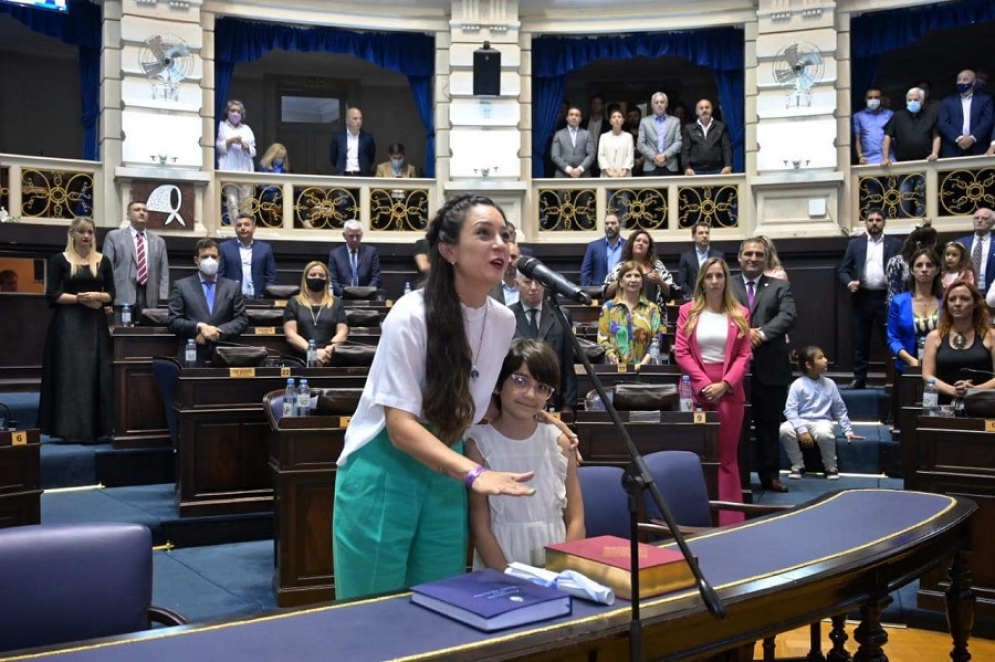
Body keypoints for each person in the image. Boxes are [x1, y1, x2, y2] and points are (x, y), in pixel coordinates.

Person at [331, 194, 536, 600]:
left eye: (505, 235)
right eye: (484, 234)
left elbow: (477, 403)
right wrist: (475, 474)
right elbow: (400, 427)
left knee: (440, 604)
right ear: (449, 250)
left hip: (447, 470)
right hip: (384, 468)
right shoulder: (410, 314)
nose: (500, 244)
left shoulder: (503, 320)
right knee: (372, 613)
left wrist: (543, 418)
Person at [466, 339, 584, 569]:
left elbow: (576, 519)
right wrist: (507, 575)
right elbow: (480, 528)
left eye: (542, 387)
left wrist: (561, 571)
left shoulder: (558, 442)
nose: (530, 394)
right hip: (500, 564)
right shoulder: (478, 444)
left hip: (555, 560)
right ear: (498, 384)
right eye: (520, 381)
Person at [674, 258, 752, 523]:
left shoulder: (740, 313)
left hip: (729, 391)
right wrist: (705, 384)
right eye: (709, 276)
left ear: (726, 280)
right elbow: (682, 352)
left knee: (727, 458)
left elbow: (744, 355)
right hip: (695, 390)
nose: (715, 281)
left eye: (719, 276)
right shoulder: (687, 311)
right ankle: (694, 519)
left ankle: (730, 521)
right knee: (694, 457)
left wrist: (725, 384)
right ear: (702, 281)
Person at [38, 217, 115, 444]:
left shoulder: (103, 260)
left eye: (90, 232)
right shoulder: (60, 260)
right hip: (68, 324)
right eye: (81, 232)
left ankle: (96, 429)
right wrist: (80, 299)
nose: (86, 236)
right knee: (71, 374)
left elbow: (111, 293)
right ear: (72, 234)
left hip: (95, 323)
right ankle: (70, 429)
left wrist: (98, 296)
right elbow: (52, 295)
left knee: (95, 373)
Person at [732, 238, 797, 493]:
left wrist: (760, 333)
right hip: (732, 370)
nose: (753, 258)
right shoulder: (727, 284)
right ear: (739, 257)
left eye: (759, 254)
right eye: (748, 253)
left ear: (766, 258)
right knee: (735, 428)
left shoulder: (780, 286)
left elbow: (788, 316)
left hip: (770, 368)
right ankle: (736, 478)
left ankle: (769, 476)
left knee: (768, 426)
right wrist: (744, 334)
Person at [837, 209, 902, 390]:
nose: (874, 223)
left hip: (886, 298)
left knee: (889, 339)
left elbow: (904, 268)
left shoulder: (896, 244)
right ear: (866, 223)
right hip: (862, 297)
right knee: (861, 340)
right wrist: (849, 283)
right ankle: (859, 379)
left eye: (878, 220)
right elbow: (843, 270)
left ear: (884, 222)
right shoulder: (855, 244)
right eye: (871, 220)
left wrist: (893, 278)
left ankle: (893, 378)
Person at [780, 346, 863, 482]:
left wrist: (847, 430)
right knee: (785, 429)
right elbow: (790, 410)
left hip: (821, 422)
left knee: (824, 433)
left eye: (824, 357)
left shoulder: (830, 384)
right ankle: (797, 465)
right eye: (820, 358)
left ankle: (831, 467)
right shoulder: (797, 385)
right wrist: (802, 430)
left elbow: (839, 409)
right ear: (809, 365)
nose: (825, 360)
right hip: (800, 421)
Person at [166, 239, 249, 365]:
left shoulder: (232, 287)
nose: (210, 260)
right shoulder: (181, 286)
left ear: (219, 259)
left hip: (225, 354)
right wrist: (200, 327)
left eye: (213, 256)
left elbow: (242, 320)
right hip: (193, 353)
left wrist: (216, 332)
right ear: (196, 260)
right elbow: (173, 321)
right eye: (205, 257)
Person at [510, 272, 577, 413]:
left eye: (538, 282)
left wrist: (568, 405)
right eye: (528, 282)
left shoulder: (561, 315)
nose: (534, 287)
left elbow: (568, 365)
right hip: (518, 397)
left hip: (552, 397)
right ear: (517, 284)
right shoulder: (507, 316)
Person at [922, 281, 995, 405]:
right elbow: (927, 376)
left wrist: (974, 390)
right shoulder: (934, 337)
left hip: (983, 405)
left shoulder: (991, 336)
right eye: (952, 299)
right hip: (943, 406)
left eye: (964, 299)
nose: (957, 303)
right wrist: (954, 391)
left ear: (975, 303)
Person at [102, 200, 170, 314]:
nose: (141, 212)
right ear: (128, 215)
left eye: (145, 210)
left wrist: (163, 300)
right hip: (121, 296)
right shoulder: (114, 237)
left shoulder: (159, 242)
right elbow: (106, 269)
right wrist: (107, 299)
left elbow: (164, 274)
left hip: (150, 297)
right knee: (122, 326)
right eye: (137, 210)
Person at [888, 248, 943, 374]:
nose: (924, 269)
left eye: (929, 265)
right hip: (908, 366)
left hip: (941, 366)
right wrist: (911, 360)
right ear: (912, 270)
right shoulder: (899, 301)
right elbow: (893, 339)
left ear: (937, 270)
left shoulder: (946, 301)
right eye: (919, 265)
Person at [597, 261, 662, 366]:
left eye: (637, 276)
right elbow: (603, 340)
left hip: (646, 368)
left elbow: (656, 340)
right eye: (628, 276)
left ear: (642, 282)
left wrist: (644, 363)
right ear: (620, 282)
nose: (633, 280)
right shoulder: (608, 308)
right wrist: (617, 362)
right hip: (615, 368)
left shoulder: (652, 309)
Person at [283, 261, 348, 365]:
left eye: (321, 275)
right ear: (305, 278)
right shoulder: (294, 302)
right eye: (313, 275)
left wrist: (330, 349)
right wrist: (312, 352)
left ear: (326, 279)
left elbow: (342, 332)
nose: (317, 277)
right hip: (301, 359)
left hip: (328, 356)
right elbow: (291, 334)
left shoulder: (336, 303)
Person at [602, 230, 674, 316]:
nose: (641, 243)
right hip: (626, 316)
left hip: (654, 315)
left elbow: (670, 292)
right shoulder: (621, 267)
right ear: (631, 244)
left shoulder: (657, 266)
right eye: (638, 240)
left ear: (649, 248)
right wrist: (621, 281)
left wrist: (660, 282)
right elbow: (606, 293)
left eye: (645, 242)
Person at [218, 213, 278, 299]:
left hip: (259, 298)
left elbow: (271, 276)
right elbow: (220, 276)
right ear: (235, 229)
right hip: (232, 298)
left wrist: (265, 293)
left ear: (254, 228)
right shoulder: (224, 248)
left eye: (246, 224)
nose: (242, 228)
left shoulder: (264, 249)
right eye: (239, 225)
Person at [215, 99, 256, 225]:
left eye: (238, 111)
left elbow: (254, 151)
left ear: (242, 114)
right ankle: (235, 226)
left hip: (245, 170)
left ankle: (246, 225)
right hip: (229, 169)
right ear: (227, 112)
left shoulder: (246, 129)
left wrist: (246, 147)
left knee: (246, 201)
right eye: (233, 110)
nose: (235, 114)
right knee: (232, 202)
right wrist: (229, 141)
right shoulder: (221, 126)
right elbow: (218, 147)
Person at [938, 69, 993, 159]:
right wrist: (958, 138)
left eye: (965, 79)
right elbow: (943, 123)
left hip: (978, 148)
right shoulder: (947, 101)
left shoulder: (985, 100)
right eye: (959, 80)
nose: (961, 82)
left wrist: (973, 137)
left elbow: (987, 121)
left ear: (973, 82)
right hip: (953, 149)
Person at [881, 87, 940, 165]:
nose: (912, 102)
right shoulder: (898, 116)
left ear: (922, 101)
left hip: (926, 162)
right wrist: (885, 158)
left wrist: (934, 154)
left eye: (916, 100)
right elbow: (887, 136)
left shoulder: (930, 117)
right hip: (903, 162)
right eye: (909, 100)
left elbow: (936, 136)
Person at [885, 221, 938, 304]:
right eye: (931, 246)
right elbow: (893, 294)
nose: (932, 250)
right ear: (919, 244)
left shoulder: (933, 261)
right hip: (904, 307)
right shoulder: (897, 262)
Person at [327, 220, 381, 296]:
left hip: (366, 297)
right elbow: (332, 279)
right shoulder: (335, 254)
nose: (355, 239)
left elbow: (376, 277)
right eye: (351, 236)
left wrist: (366, 292)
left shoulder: (371, 252)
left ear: (362, 235)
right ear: (344, 236)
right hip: (342, 298)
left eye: (358, 236)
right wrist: (344, 294)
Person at [681, 99, 733, 175]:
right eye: (701, 108)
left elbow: (726, 148)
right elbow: (685, 150)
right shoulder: (689, 129)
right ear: (696, 112)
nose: (704, 110)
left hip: (718, 170)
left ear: (711, 110)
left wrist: (728, 165)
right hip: (695, 171)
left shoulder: (721, 127)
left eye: (707, 107)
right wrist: (686, 167)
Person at [637, 92, 682, 176]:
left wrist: (664, 156)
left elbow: (678, 142)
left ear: (666, 104)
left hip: (670, 165)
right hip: (650, 166)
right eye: (656, 102)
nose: (659, 104)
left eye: (662, 102)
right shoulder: (645, 121)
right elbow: (640, 144)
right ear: (652, 105)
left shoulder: (675, 121)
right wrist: (654, 157)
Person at [676, 221, 724, 296]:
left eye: (707, 233)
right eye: (701, 233)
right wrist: (692, 295)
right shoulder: (686, 257)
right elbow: (681, 282)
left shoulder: (719, 256)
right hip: (693, 297)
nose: (704, 236)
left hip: (714, 296)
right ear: (693, 236)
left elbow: (723, 279)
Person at [956, 208, 995, 293]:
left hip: (991, 293)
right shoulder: (960, 243)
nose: (979, 220)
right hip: (965, 292)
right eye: (976, 218)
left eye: (985, 218)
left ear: (993, 222)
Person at [580, 213, 625, 287]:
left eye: (613, 223)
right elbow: (586, 271)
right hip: (599, 291)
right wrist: (587, 290)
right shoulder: (593, 246)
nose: (609, 226)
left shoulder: (628, 245)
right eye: (607, 223)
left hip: (622, 290)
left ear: (620, 225)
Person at [329, 107, 376, 176]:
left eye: (360, 118)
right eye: (355, 118)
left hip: (362, 175)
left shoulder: (368, 138)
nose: (358, 121)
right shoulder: (338, 137)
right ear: (347, 120)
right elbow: (333, 157)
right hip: (344, 174)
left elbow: (371, 157)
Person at [550, 106, 595, 178]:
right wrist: (569, 169)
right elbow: (555, 156)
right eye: (571, 115)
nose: (574, 117)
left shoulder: (587, 134)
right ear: (567, 118)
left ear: (580, 119)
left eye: (577, 115)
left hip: (583, 175)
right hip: (563, 175)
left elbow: (591, 155)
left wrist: (580, 169)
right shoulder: (558, 134)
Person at [852, 88, 893, 165]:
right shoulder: (858, 116)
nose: (873, 100)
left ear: (881, 99)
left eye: (876, 97)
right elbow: (857, 139)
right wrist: (860, 156)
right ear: (865, 99)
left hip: (889, 159)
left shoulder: (889, 114)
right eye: (870, 98)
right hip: (869, 160)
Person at [597, 108, 634, 178]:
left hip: (624, 176)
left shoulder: (628, 137)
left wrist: (623, 172)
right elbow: (601, 156)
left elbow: (630, 156)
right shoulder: (604, 137)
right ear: (610, 121)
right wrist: (609, 173)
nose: (616, 119)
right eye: (614, 117)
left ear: (623, 120)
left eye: (619, 117)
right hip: (607, 175)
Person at [256, 143, 289, 209]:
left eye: (282, 158)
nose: (280, 160)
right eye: (278, 158)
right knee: (284, 195)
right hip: (267, 193)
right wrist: (272, 184)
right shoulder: (263, 166)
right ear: (272, 156)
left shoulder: (283, 169)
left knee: (296, 193)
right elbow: (261, 186)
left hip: (280, 191)